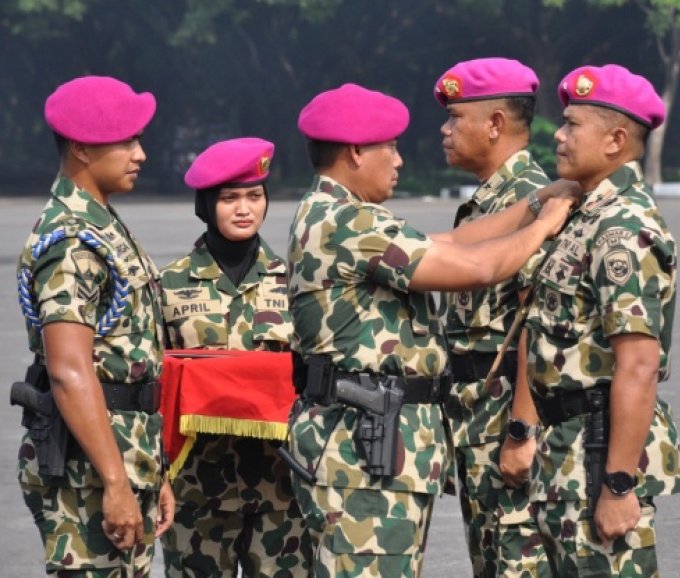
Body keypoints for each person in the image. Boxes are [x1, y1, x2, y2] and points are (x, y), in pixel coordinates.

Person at [284, 83, 576, 578]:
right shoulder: (350, 223)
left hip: (366, 442)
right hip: (364, 449)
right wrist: (544, 226)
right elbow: (476, 267)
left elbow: (452, 240)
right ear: (356, 152)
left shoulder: (336, 215)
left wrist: (534, 203)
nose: (399, 161)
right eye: (390, 148)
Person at [500, 64, 680, 576]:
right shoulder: (582, 213)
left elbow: (639, 366)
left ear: (616, 140)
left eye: (573, 124)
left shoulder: (622, 228)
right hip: (564, 454)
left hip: (598, 453)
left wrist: (619, 485)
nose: (557, 135)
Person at [14, 75, 174, 576]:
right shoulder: (72, 241)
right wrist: (116, 482)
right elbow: (69, 370)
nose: (140, 153)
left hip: (124, 453)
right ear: (82, 149)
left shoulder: (99, 223)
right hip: (89, 469)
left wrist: (150, 470)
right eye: (126, 140)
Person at [159, 137, 310, 577]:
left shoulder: (296, 283)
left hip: (281, 488)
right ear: (205, 205)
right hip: (196, 490)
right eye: (229, 198)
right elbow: (154, 385)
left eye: (254, 196)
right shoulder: (166, 286)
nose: (244, 208)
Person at [434, 57, 551, 577]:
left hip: (507, 424)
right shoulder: (490, 202)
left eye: (456, 117)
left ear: (496, 124)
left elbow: (538, 324)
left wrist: (523, 431)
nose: (445, 128)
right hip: (479, 425)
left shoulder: (532, 200)